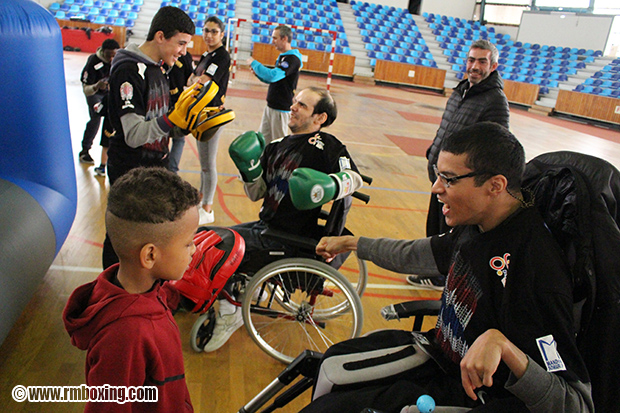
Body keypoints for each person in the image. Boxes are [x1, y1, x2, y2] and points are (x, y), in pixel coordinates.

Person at [304, 122, 593, 413]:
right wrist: (354, 244)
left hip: (474, 396)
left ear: (496, 185)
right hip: (440, 359)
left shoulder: (536, 269)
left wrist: (503, 346)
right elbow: (416, 254)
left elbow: (574, 403)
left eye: (449, 179)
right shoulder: (477, 224)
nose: (435, 188)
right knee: (332, 363)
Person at [203, 87, 363, 352]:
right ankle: (245, 293)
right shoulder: (277, 145)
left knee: (217, 249)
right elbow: (257, 194)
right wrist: (249, 170)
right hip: (266, 228)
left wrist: (330, 185)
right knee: (205, 237)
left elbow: (354, 178)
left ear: (319, 118)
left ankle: (231, 311)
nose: (293, 107)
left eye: (302, 105)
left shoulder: (327, 146)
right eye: (294, 102)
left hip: (291, 240)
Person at [63, 167, 200, 412]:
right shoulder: (124, 337)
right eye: (188, 242)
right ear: (150, 255)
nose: (194, 250)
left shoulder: (147, 287)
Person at [103, 6, 215, 269]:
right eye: (181, 43)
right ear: (161, 36)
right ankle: (111, 296)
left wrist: (188, 124)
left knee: (152, 236)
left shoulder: (157, 68)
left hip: (154, 165)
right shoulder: (129, 71)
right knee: (123, 239)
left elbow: (159, 123)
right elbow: (133, 135)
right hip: (130, 168)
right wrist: (172, 120)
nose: (184, 51)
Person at [414, 39, 510, 290]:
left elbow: (495, 146)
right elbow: (447, 128)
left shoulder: (495, 100)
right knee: (434, 226)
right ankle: (433, 269)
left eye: (482, 61)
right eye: (471, 60)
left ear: (494, 65)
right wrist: (432, 150)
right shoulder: (460, 91)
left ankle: (441, 276)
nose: (475, 66)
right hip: (441, 176)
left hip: (459, 182)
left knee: (451, 231)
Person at [188, 15, 232, 225]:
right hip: (201, 113)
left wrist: (195, 82)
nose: (209, 35)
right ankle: (201, 201)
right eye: (206, 30)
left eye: (214, 31)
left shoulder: (222, 56)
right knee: (204, 163)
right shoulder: (207, 54)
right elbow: (193, 78)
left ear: (222, 34)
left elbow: (202, 81)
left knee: (208, 163)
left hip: (212, 114)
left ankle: (208, 207)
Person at [246, 24, 302, 144]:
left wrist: (254, 63)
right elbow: (274, 80)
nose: (273, 41)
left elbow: (272, 76)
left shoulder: (292, 59)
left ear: (284, 39)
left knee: (279, 143)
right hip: (271, 106)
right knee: (263, 141)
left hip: (281, 109)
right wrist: (258, 74)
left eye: (275, 38)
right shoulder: (284, 57)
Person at [78, 38, 119, 166]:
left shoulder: (118, 61)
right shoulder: (93, 62)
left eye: (114, 55)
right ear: (103, 51)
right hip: (94, 94)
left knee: (112, 120)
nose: (112, 58)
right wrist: (97, 86)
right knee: (96, 118)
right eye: (109, 55)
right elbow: (86, 89)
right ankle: (85, 150)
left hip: (108, 94)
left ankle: (110, 156)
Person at [166, 52, 195, 174]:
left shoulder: (182, 56)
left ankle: (165, 168)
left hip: (172, 102)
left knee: (167, 137)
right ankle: (171, 170)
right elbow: (190, 81)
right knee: (178, 139)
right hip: (175, 102)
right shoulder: (186, 56)